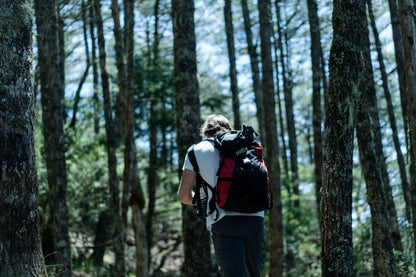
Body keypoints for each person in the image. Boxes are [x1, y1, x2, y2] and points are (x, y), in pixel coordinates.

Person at [178, 114, 265, 277]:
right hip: (255, 217)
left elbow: (184, 196)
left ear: (205, 131)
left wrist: (205, 199)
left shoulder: (196, 150)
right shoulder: (250, 144)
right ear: (229, 128)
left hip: (224, 219)